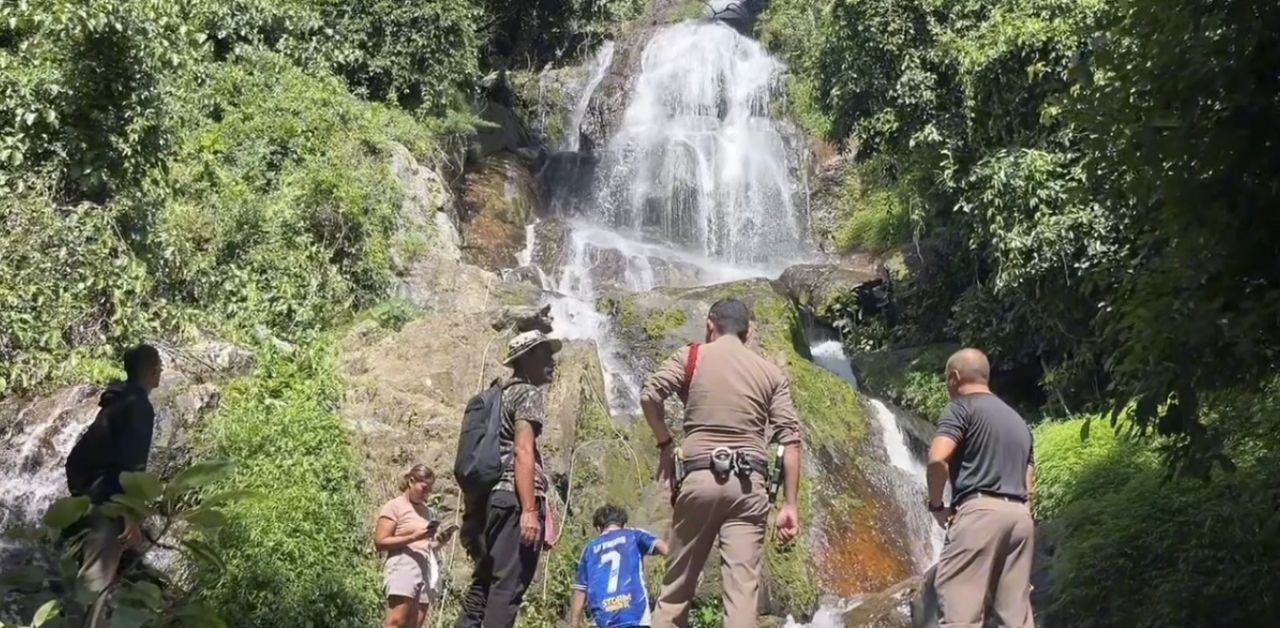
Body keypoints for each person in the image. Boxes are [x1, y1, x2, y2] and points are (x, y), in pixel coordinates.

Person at [640, 298, 804, 628]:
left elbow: (649, 395)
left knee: (675, 594)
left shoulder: (692, 356)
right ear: (748, 334)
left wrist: (665, 442)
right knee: (742, 596)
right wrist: (790, 505)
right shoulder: (770, 373)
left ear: (710, 325)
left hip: (699, 480)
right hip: (749, 487)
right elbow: (791, 439)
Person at [455, 330, 561, 628]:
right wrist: (529, 510)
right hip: (513, 501)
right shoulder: (527, 393)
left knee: (483, 586)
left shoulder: (495, 395)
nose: (552, 361)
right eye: (545, 353)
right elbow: (523, 449)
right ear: (526, 358)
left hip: (488, 503)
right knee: (507, 587)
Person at [926, 348, 1035, 628]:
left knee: (960, 614)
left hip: (979, 513)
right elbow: (1029, 476)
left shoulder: (962, 407)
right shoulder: (1017, 420)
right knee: (1016, 618)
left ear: (955, 377)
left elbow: (938, 458)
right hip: (1020, 517)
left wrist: (937, 506)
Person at [64, 343, 162, 628]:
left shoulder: (116, 400)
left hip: (88, 497)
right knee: (96, 583)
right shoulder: (139, 406)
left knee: (92, 579)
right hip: (108, 503)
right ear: (155, 370)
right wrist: (131, 516)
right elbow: (133, 465)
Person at [376, 465, 457, 628]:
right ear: (411, 482)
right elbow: (380, 542)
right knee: (396, 622)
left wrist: (441, 541)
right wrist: (413, 537)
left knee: (415, 624)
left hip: (423, 570)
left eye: (430, 490)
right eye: (424, 488)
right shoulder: (395, 506)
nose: (427, 494)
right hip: (402, 566)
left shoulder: (427, 512)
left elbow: (426, 545)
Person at [569, 505, 670, 628]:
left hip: (604, 618)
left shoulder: (590, 549)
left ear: (598, 527)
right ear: (624, 524)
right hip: (635, 615)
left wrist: (574, 624)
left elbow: (580, 590)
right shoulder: (634, 534)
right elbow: (664, 549)